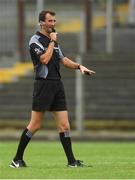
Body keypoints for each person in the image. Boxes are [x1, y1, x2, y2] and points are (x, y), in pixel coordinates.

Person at [10, 10, 95, 168]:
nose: (53, 24)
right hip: (43, 85)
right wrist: (52, 42)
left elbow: (63, 60)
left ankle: (71, 162)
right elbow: (44, 59)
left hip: (57, 84)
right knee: (35, 125)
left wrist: (79, 66)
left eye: (54, 21)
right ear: (41, 22)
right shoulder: (35, 40)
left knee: (65, 125)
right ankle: (16, 159)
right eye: (50, 21)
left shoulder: (53, 40)